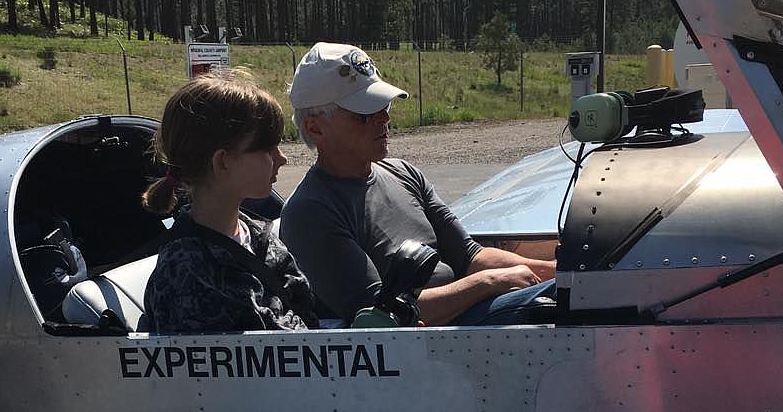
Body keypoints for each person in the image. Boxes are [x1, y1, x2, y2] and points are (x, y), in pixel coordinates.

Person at [280, 43, 557, 326]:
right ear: (316, 128)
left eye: (383, 106)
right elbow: (382, 317)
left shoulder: (404, 173)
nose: (384, 119)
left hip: (465, 318)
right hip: (429, 342)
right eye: (365, 113)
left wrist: (555, 271)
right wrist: (488, 282)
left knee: (576, 290)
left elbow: (470, 255)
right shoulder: (310, 212)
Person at [142, 74, 317, 333]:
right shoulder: (187, 271)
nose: (282, 159)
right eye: (267, 148)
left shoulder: (259, 236)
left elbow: (306, 316)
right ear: (223, 162)